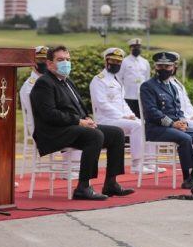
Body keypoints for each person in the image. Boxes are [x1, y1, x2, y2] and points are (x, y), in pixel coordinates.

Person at [30, 45, 134, 200]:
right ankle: (83, 187)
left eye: (67, 59)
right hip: (54, 132)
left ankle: (111, 183)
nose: (65, 63)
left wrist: (87, 119)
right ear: (50, 63)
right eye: (60, 60)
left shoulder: (66, 81)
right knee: (95, 135)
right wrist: (79, 122)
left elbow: (77, 108)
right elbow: (49, 114)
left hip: (72, 127)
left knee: (116, 133)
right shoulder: (44, 83)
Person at [140, 51, 193, 189]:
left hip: (175, 127)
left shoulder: (172, 87)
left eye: (167, 67)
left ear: (173, 67)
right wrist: (173, 124)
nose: (163, 69)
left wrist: (182, 122)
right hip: (156, 129)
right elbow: (151, 112)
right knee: (185, 138)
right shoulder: (148, 86)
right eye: (160, 66)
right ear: (155, 67)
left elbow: (178, 110)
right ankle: (186, 178)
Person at [89, 47, 151, 174]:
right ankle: (136, 165)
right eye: (113, 61)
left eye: (118, 62)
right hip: (105, 120)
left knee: (143, 123)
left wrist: (130, 115)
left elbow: (123, 103)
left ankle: (146, 162)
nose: (116, 64)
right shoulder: (98, 80)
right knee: (138, 126)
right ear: (106, 61)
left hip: (118, 119)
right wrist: (122, 116)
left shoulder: (116, 81)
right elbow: (102, 104)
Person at [169, 54, 193, 133]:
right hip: (179, 120)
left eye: (176, 64)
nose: (175, 67)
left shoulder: (178, 83)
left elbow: (187, 104)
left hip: (188, 117)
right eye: (173, 65)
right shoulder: (165, 84)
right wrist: (187, 118)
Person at [120, 37, 150, 117]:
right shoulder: (124, 61)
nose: (137, 49)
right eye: (134, 47)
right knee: (129, 118)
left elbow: (147, 79)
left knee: (142, 119)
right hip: (128, 96)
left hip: (141, 97)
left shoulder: (145, 62)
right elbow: (119, 79)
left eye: (139, 47)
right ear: (130, 48)